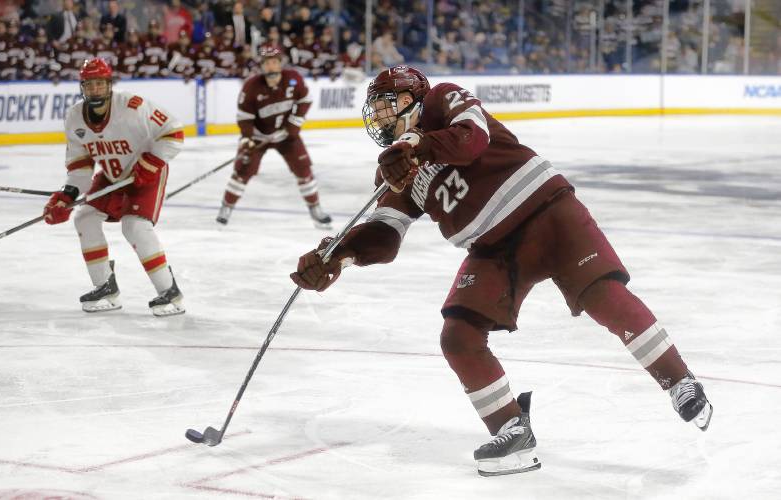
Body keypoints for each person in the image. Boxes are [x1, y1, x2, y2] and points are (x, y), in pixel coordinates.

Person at [289, 66, 713, 476]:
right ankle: (512, 429)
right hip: (494, 249)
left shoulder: (442, 99)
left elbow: (470, 139)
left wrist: (419, 145)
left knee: (603, 296)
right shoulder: (393, 170)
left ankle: (679, 381)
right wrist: (340, 254)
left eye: (384, 104)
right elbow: (384, 235)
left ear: (411, 99)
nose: (378, 116)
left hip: (546, 210)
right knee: (458, 335)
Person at [43, 58, 185, 317]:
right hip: (112, 175)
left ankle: (170, 291)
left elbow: (173, 132)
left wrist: (151, 162)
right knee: (84, 217)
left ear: (109, 84)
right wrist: (67, 195)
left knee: (134, 225)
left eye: (100, 83)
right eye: (90, 84)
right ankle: (105, 287)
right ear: (82, 87)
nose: (95, 89)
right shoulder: (75, 116)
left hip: (146, 171)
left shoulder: (132, 106)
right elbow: (80, 165)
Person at [216, 44, 332, 229]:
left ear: (280, 63)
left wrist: (293, 125)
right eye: (267, 63)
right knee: (242, 172)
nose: (271, 66)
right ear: (262, 66)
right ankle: (226, 207)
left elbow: (305, 100)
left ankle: (315, 209)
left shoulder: (293, 79)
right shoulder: (251, 87)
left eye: (274, 62)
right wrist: (247, 139)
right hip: (257, 136)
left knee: (304, 170)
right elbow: (244, 118)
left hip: (285, 135)